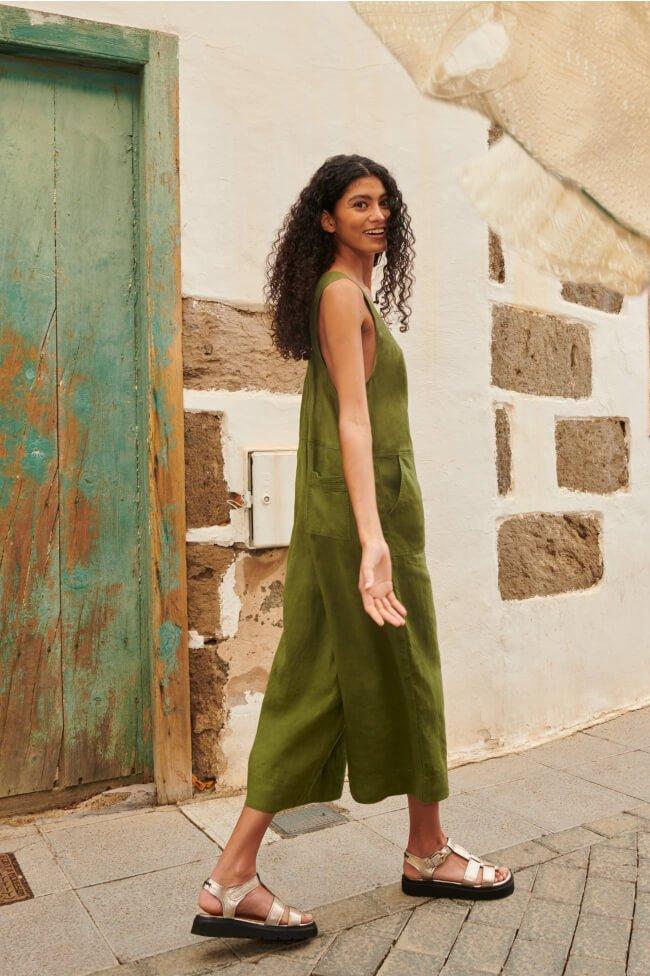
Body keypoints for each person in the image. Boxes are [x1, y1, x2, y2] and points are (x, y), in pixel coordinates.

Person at [191, 155, 513, 944]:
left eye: (385, 204)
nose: (378, 216)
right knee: (399, 663)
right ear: (326, 219)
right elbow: (354, 423)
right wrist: (375, 542)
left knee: (323, 678)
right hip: (365, 519)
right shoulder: (341, 296)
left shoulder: (351, 294)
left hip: (361, 513)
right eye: (359, 204)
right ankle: (422, 851)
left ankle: (241, 874)